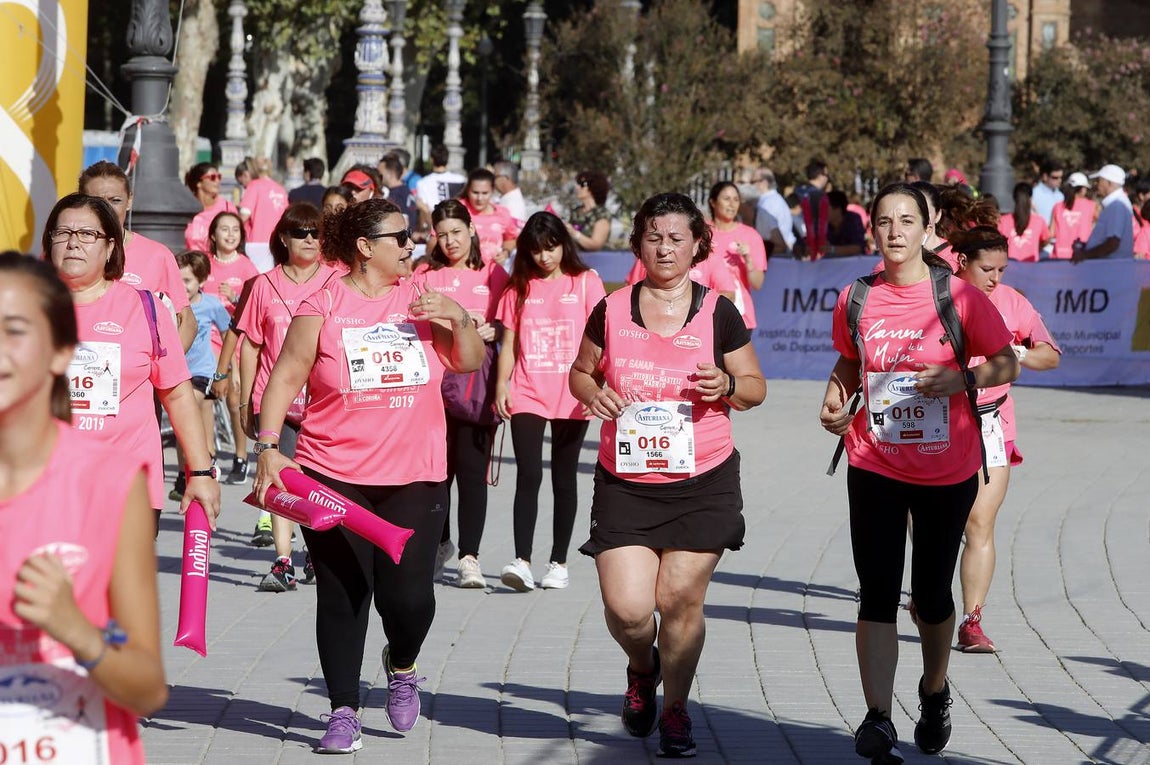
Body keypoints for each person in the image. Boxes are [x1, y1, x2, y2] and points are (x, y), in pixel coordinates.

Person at [251, 198, 482, 753]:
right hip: (334, 473)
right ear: (364, 247)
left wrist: (458, 315)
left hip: (416, 475)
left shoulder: (421, 298)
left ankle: (401, 664)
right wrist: (266, 448)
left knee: (409, 601)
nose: (411, 245)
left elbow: (469, 360)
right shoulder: (321, 303)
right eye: (399, 237)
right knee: (342, 593)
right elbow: (284, 378)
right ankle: (343, 711)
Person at [818, 182, 1018, 763]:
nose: (896, 230)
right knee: (876, 589)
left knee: (931, 595)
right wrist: (835, 398)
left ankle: (934, 690)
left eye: (908, 220)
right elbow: (850, 357)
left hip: (946, 465)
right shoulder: (855, 296)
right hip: (874, 459)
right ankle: (878, 717)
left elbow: (1006, 359)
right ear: (873, 230)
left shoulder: (958, 296)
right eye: (885, 221)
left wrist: (962, 379)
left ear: (928, 228)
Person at [569, 192, 766, 758]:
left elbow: (755, 387)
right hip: (627, 481)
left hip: (702, 480)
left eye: (677, 237)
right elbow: (580, 373)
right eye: (654, 237)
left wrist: (727, 387)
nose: (665, 247)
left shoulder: (718, 311)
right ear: (638, 245)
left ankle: (676, 711)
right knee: (630, 610)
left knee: (680, 598)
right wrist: (595, 392)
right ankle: (641, 666)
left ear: (699, 245)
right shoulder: (611, 308)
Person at [0, 252, 169, 764]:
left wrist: (76, 630)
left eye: (13, 330)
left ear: (60, 353)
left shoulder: (110, 481)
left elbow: (146, 689)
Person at [43, 194, 221, 533]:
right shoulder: (26, 308)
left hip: (127, 484)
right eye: (62, 232)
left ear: (110, 246)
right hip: (46, 483)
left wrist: (200, 473)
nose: (73, 243)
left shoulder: (145, 308)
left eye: (87, 234)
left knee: (120, 586)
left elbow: (179, 395)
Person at [948, 226, 1061, 653]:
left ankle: (972, 621)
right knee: (932, 522)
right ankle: (928, 597)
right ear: (962, 262)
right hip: (940, 421)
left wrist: (1021, 354)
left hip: (992, 420)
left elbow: (1049, 354)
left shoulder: (1013, 302)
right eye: (986, 269)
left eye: (1002, 269)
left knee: (980, 522)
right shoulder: (938, 297)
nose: (996, 278)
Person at [493, 212, 606, 592]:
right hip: (527, 390)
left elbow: (605, 340)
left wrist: (597, 387)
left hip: (574, 392)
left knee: (564, 475)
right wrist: (501, 386)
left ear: (564, 244)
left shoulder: (586, 282)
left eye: (551, 247)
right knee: (528, 474)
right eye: (537, 249)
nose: (544, 257)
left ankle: (558, 562)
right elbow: (508, 344)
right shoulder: (518, 288)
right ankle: (521, 560)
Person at [237, 203, 339, 591]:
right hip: (274, 400)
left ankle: (314, 553)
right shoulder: (264, 285)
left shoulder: (335, 281)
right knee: (279, 478)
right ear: (284, 238)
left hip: (321, 401)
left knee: (319, 480)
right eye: (301, 233)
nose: (310, 239)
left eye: (316, 233)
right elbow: (250, 346)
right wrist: (245, 400)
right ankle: (282, 560)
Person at [414, 200, 509, 587]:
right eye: (442, 234)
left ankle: (470, 555)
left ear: (472, 230)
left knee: (471, 474)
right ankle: (441, 542)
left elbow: (510, 324)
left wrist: (497, 330)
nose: (450, 241)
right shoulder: (425, 273)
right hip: (432, 384)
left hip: (475, 385)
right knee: (436, 474)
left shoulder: (494, 274)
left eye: (457, 231)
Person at [80, 161, 196, 351]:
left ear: (130, 201)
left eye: (115, 200)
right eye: (96, 201)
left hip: (139, 375)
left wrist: (167, 370)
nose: (106, 209)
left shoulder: (158, 255)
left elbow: (187, 321)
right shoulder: (64, 252)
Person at [169, 251, 231, 501]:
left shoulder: (211, 304)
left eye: (188, 281)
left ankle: (203, 462)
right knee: (179, 427)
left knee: (190, 406)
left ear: (201, 282)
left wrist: (226, 372)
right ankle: (184, 475)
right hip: (176, 370)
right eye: (178, 280)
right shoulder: (169, 303)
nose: (182, 287)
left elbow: (230, 333)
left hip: (202, 371)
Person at [204, 211, 260, 486]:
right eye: (224, 229)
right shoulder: (204, 265)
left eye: (235, 230)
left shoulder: (247, 267)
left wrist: (235, 298)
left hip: (236, 340)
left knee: (236, 394)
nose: (229, 234)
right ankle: (206, 456)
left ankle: (241, 455)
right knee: (203, 391)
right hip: (207, 339)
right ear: (213, 234)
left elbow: (258, 306)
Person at [706, 181, 767, 329]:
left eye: (736, 199)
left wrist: (748, 259)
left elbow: (757, 283)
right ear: (713, 202)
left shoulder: (750, 235)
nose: (732, 204)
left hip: (739, 318)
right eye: (726, 199)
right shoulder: (701, 234)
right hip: (704, 316)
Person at [460, 167, 520, 266]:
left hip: (493, 272)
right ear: (468, 190)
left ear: (492, 190)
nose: (479, 198)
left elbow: (511, 238)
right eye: (475, 193)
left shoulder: (502, 213)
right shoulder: (457, 210)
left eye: (484, 193)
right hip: (464, 270)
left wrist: (505, 252)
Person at [1074, 164, 1134, 261]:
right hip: (1112, 268)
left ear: (1109, 183)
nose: (1096, 184)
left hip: (1111, 270)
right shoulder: (1118, 203)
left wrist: (1085, 255)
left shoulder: (1117, 205)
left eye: (1099, 180)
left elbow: (1113, 243)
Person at [184, 162, 239, 253]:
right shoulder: (186, 207)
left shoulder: (227, 208)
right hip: (191, 261)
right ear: (199, 183)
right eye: (212, 177)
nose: (217, 181)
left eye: (219, 177)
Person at [238, 157, 289, 246]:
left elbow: (244, 214)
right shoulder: (281, 189)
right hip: (278, 242)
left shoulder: (254, 185)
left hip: (257, 242)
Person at [997, 183, 1050, 262]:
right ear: (1031, 198)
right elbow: (1045, 240)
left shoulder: (1002, 221)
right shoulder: (1039, 221)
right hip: (1031, 268)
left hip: (1009, 268)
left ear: (1014, 198)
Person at [1050, 172, 1095, 260]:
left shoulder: (1058, 207)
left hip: (1059, 255)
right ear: (1082, 189)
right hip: (1081, 255)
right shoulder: (1092, 206)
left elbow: (1051, 233)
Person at [565, 171, 612, 251]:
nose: (577, 187)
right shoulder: (575, 212)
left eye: (582, 184)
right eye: (578, 184)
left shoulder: (602, 214)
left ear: (593, 187)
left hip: (594, 261)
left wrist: (574, 234)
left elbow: (596, 245)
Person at [753, 168, 796, 253]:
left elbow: (773, 237)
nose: (751, 186)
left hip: (775, 254)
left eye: (753, 182)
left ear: (764, 183)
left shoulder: (769, 204)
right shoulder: (771, 200)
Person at [415, 144, 466, 211]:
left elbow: (424, 209)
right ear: (447, 159)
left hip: (433, 219)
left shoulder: (422, 183)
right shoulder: (461, 180)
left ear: (431, 159)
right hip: (456, 219)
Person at [379, 153, 420, 231]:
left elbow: (405, 223)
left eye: (380, 174)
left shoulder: (395, 196)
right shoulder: (406, 189)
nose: (378, 177)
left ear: (390, 174)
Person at [825, 190, 869, 257]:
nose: (821, 210)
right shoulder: (822, 224)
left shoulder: (853, 219)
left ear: (837, 209)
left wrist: (831, 249)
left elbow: (857, 248)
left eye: (824, 207)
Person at [1031, 160, 1065, 230]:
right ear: (1045, 176)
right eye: (1055, 178)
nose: (1059, 180)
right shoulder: (1033, 195)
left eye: (1061, 177)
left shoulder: (1061, 196)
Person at [493, 160, 527, 225]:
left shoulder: (514, 204)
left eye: (495, 177)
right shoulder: (507, 198)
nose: (493, 181)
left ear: (505, 178)